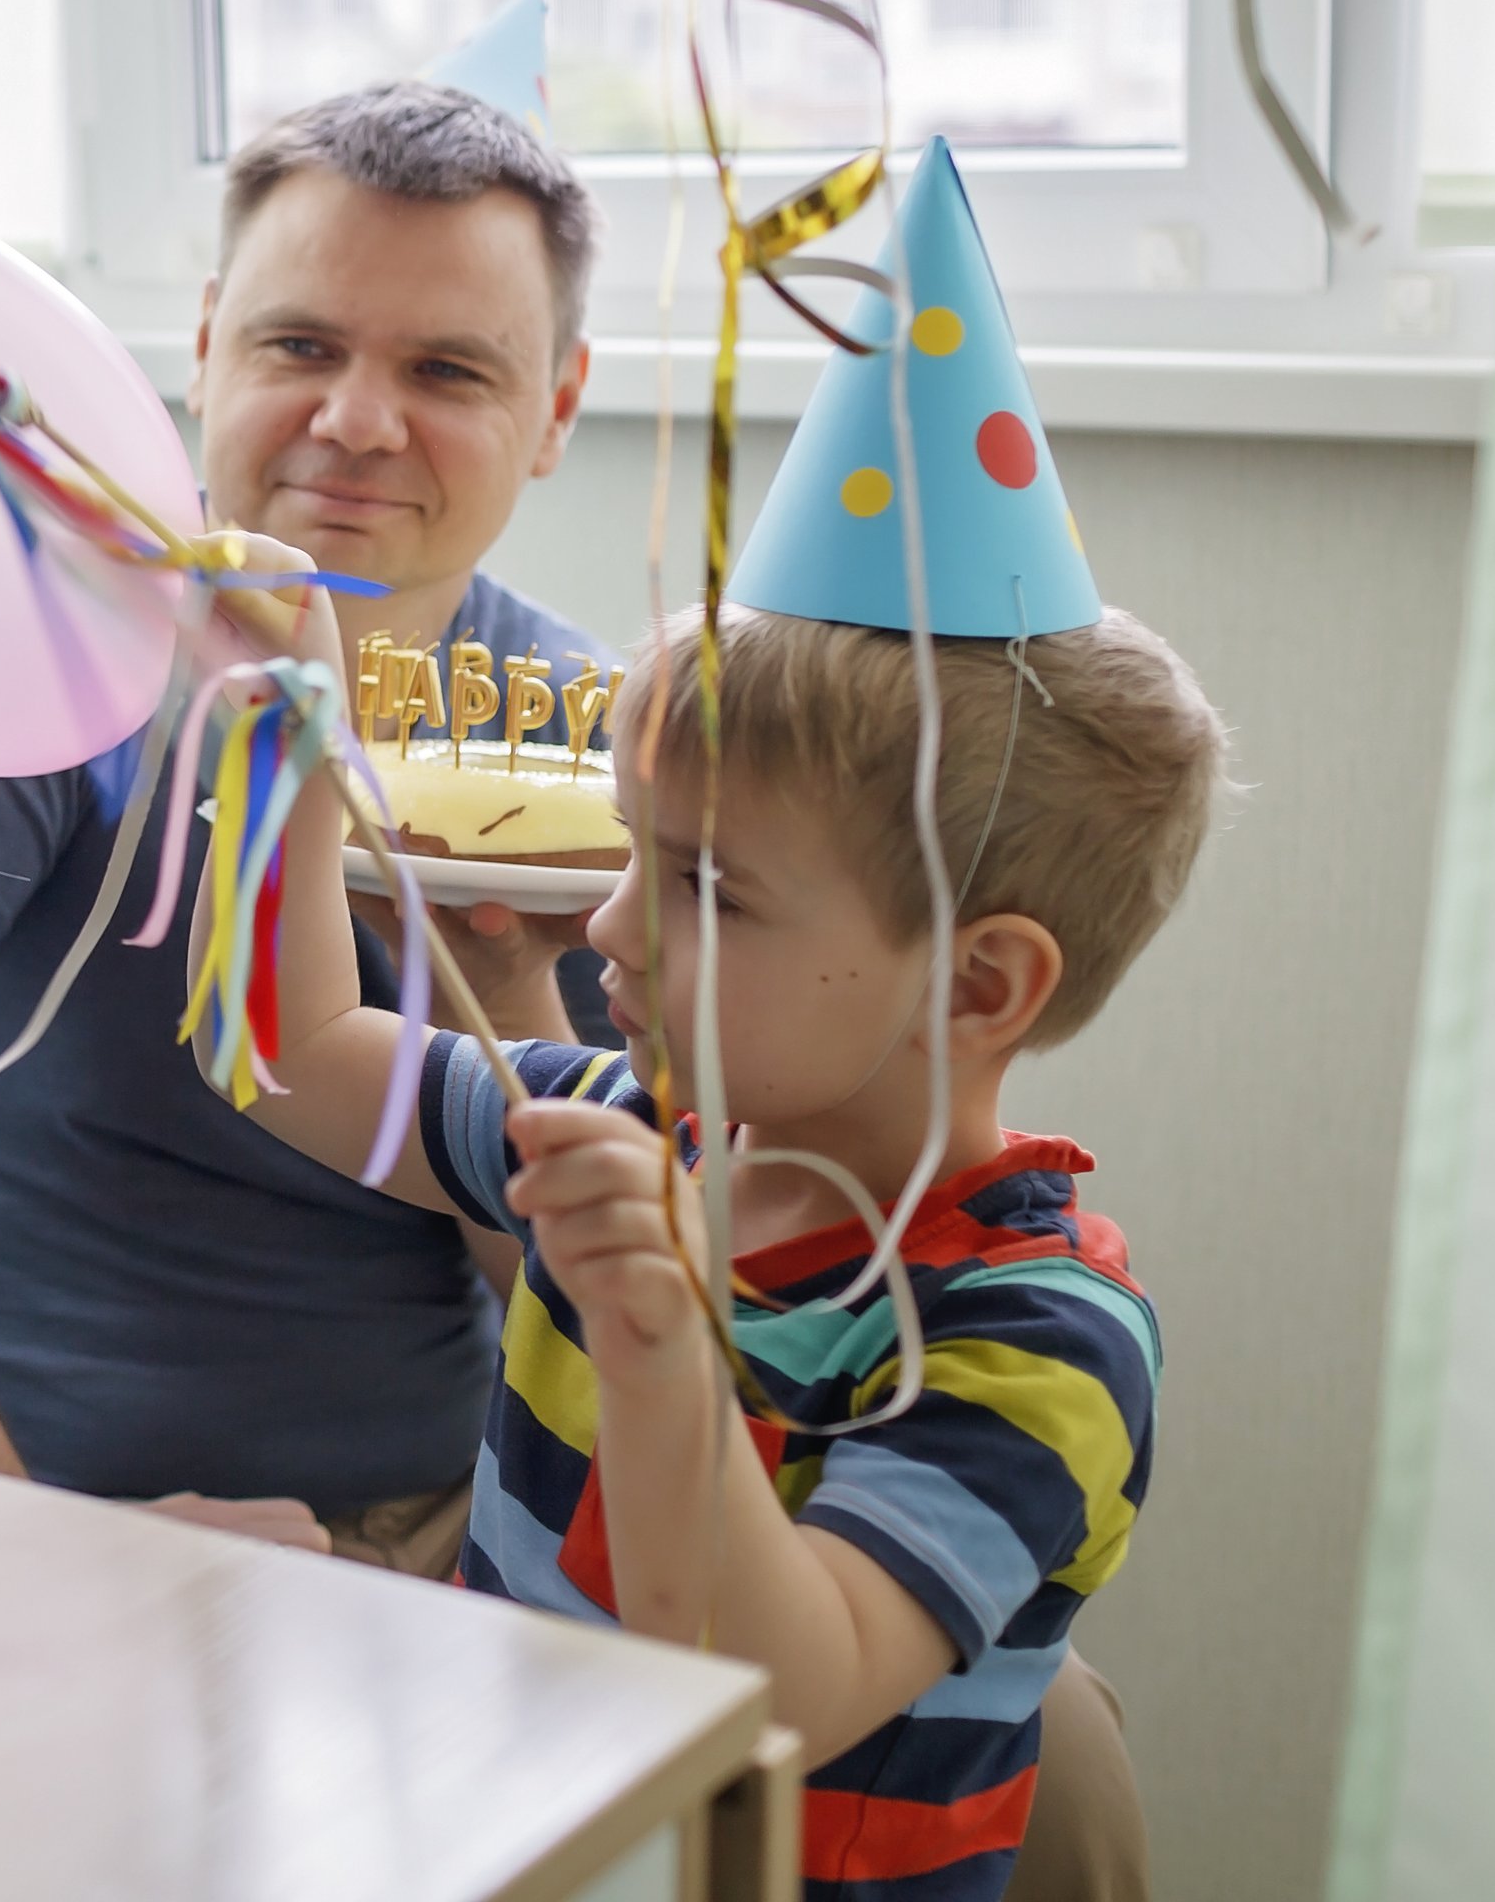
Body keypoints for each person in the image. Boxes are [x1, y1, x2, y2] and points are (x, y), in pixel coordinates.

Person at [213, 141, 1201, 1900]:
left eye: (705, 890)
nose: (606, 927)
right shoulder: (619, 1117)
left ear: (980, 987)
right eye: (636, 860)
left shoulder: (1038, 1343)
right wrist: (287, 738)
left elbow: (766, 1685)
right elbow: (297, 1060)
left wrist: (663, 1334)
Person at [0, 81, 605, 1566]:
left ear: (556, 410)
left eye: (449, 369)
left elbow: (616, 1283)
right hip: (11, 1524)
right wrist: (31, 1539)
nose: (356, 422)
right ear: (207, 341)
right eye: (302, 345)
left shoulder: (574, 741)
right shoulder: (45, 658)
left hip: (442, 1532)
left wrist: (505, 987)